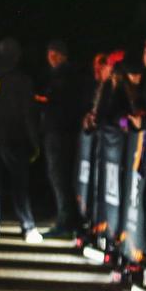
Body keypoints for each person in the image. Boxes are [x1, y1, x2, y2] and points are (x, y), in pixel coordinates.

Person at [0, 37, 42, 243]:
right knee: (19, 185)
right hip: (16, 138)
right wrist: (35, 141)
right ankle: (28, 227)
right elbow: (27, 113)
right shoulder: (22, 80)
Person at [39, 40, 85, 237]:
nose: (50, 58)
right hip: (61, 133)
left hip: (59, 134)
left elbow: (58, 103)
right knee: (61, 178)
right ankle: (66, 219)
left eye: (53, 54)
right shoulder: (69, 75)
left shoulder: (62, 76)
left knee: (60, 177)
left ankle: (66, 221)